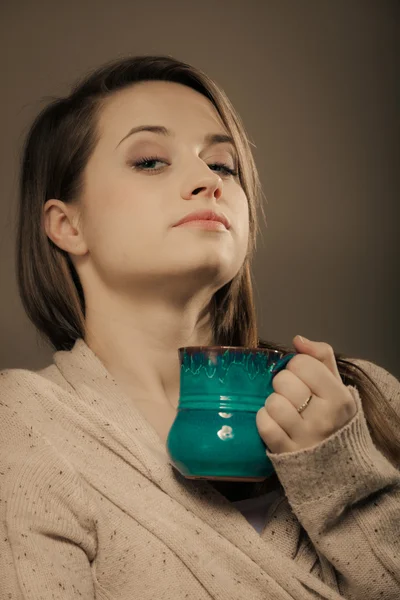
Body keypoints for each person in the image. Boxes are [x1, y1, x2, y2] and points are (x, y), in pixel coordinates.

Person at [0, 55, 399, 600]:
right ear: (67, 225)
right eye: (149, 161)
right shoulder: (24, 426)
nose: (206, 180)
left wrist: (338, 472)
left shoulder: (367, 401)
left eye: (224, 165)